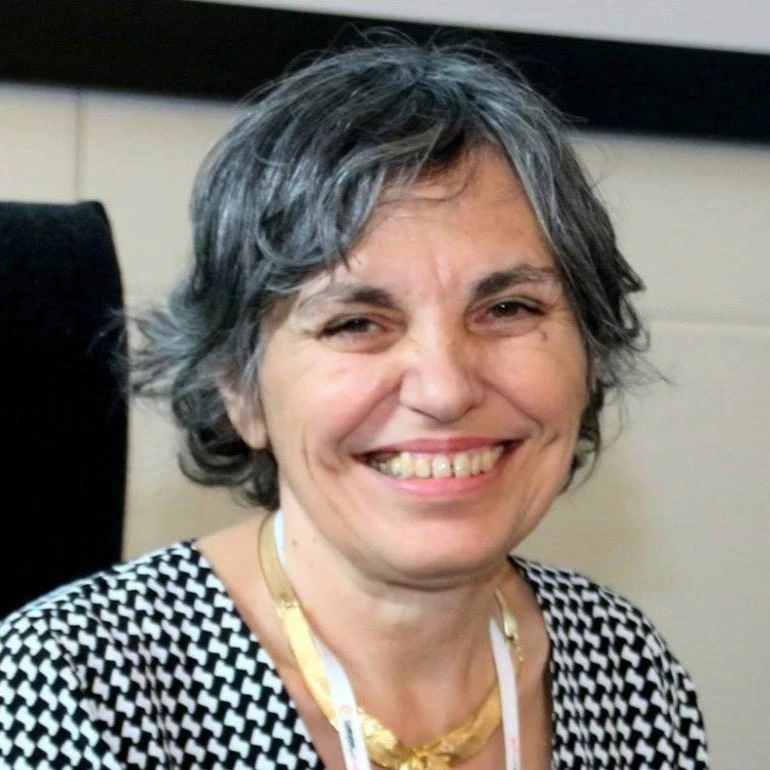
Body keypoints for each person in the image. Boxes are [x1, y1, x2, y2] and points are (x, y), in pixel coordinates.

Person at [0, 35, 708, 770]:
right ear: (238, 387)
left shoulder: (626, 669)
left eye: (507, 309)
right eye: (356, 323)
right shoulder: (76, 691)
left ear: (588, 354)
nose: (445, 389)